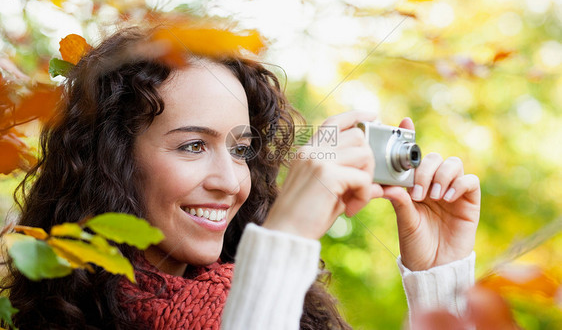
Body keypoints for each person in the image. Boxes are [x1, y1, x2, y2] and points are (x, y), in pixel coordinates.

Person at [1, 24, 480, 329]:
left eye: (241, 149)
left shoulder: (296, 312)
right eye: (193, 145)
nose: (231, 181)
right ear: (112, 160)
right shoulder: (58, 320)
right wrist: (284, 237)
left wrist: (439, 281)